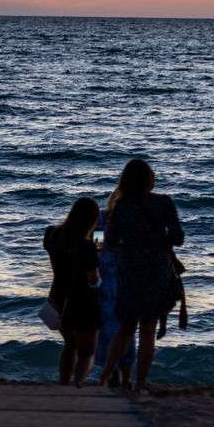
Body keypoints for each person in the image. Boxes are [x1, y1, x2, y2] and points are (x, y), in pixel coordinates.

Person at [97, 159, 184, 395]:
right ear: (150, 180)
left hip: (130, 271)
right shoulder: (164, 203)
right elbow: (177, 238)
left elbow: (113, 241)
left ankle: (104, 378)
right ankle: (140, 385)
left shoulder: (121, 207)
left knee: (125, 328)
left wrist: (133, 241)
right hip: (157, 271)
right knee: (148, 331)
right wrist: (156, 241)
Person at [43, 196, 102, 388]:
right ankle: (77, 385)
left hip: (58, 297)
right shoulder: (88, 247)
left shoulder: (51, 235)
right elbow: (93, 279)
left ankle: (64, 383)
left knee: (70, 344)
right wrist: (97, 250)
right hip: (84, 301)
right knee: (87, 351)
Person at [95, 189, 135, 389]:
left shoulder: (102, 218)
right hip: (127, 274)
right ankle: (126, 376)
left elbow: (97, 248)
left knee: (110, 327)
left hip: (106, 276)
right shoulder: (133, 220)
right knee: (127, 327)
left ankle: (114, 374)